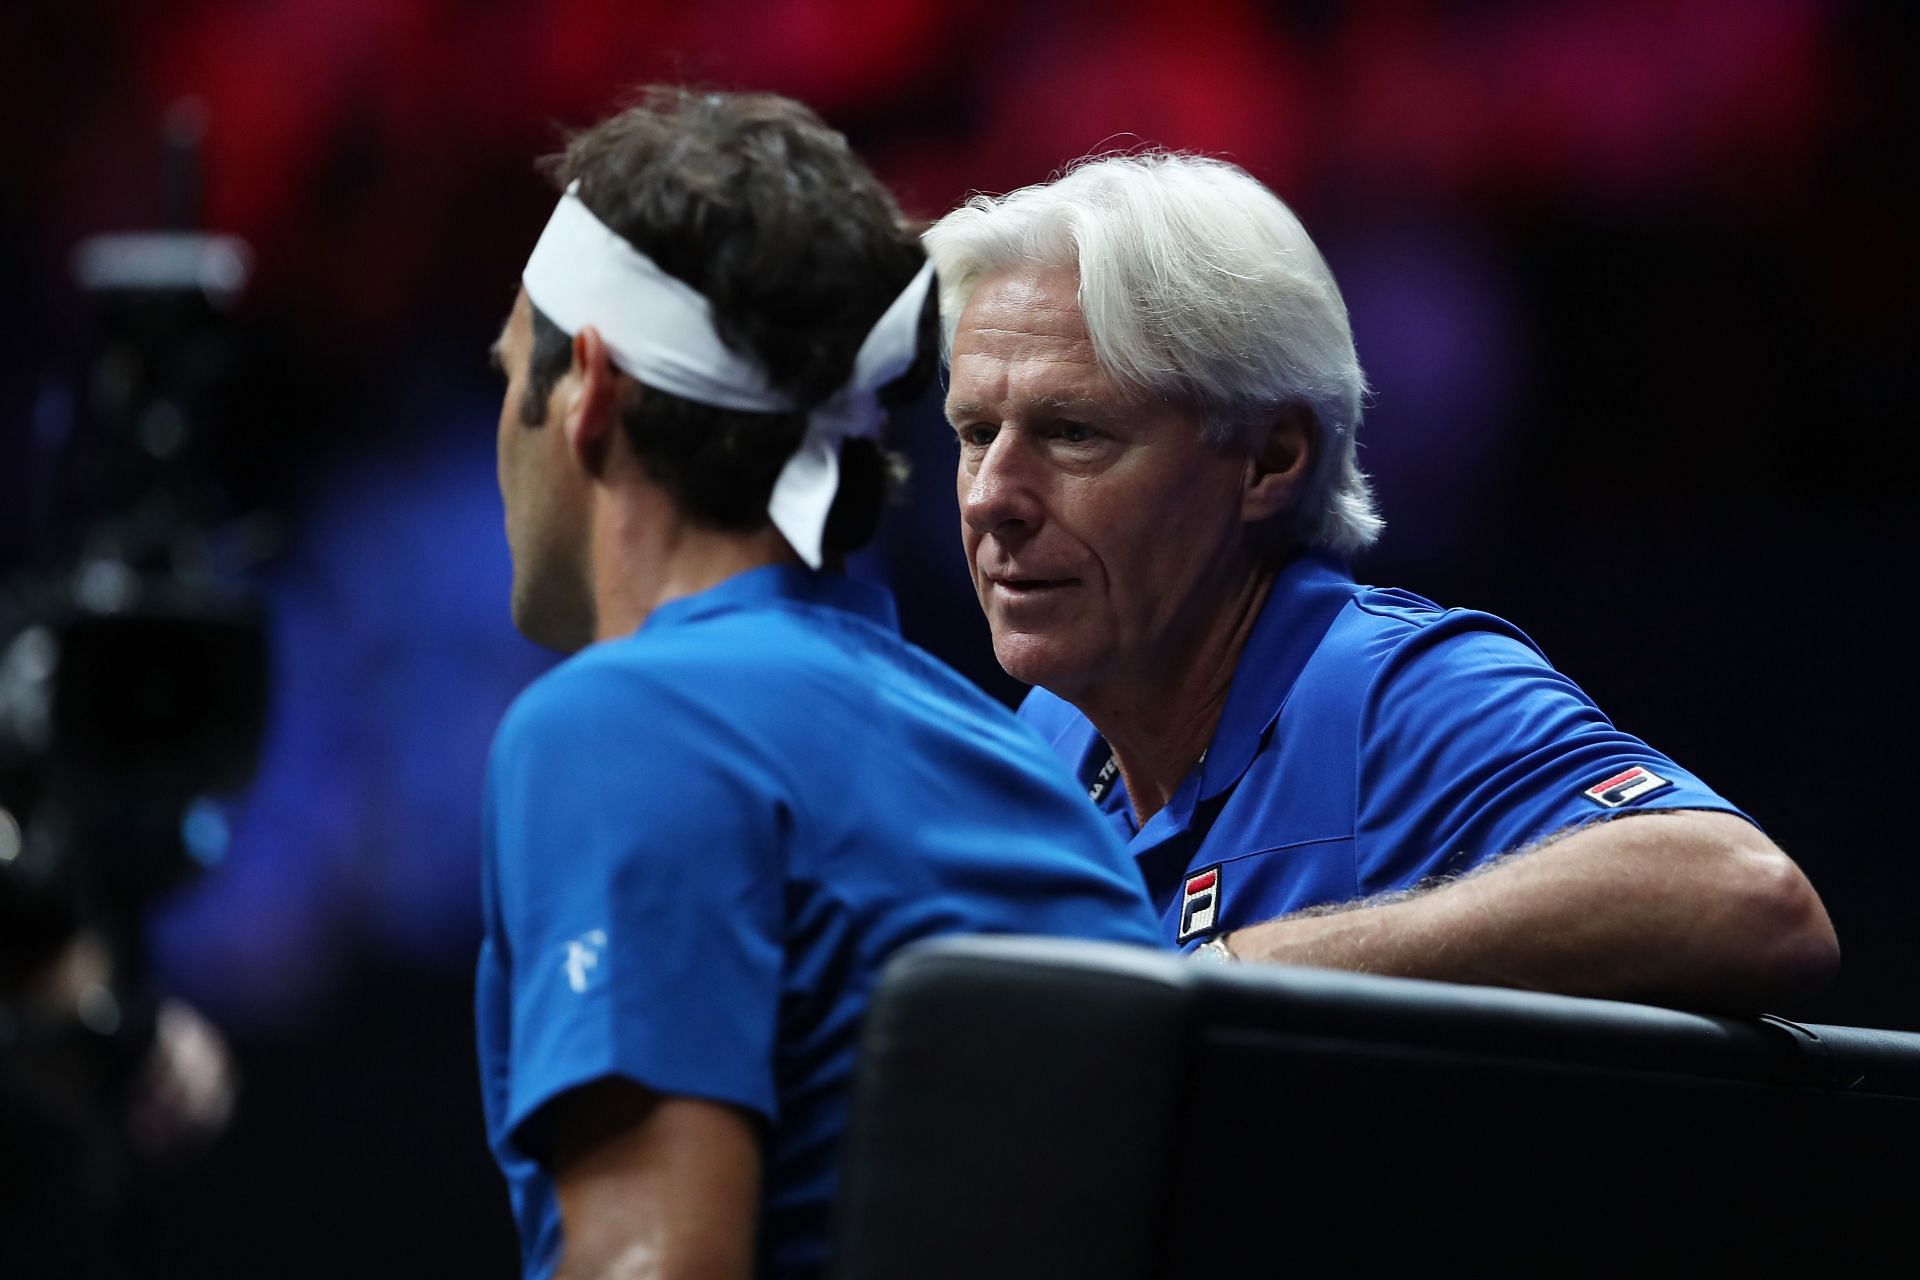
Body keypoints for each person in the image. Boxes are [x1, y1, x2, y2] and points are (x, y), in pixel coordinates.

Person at [476, 90, 1159, 1280]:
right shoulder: (1035, 785)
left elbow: (655, 1262)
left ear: (587, 388)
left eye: (505, 375)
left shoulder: (625, 722)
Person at [923, 152, 1839, 1011]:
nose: (993, 497)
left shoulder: (1391, 690)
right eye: (973, 433)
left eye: (1074, 432)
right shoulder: (1057, 736)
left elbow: (1749, 896)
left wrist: (1241, 979)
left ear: (1270, 458)